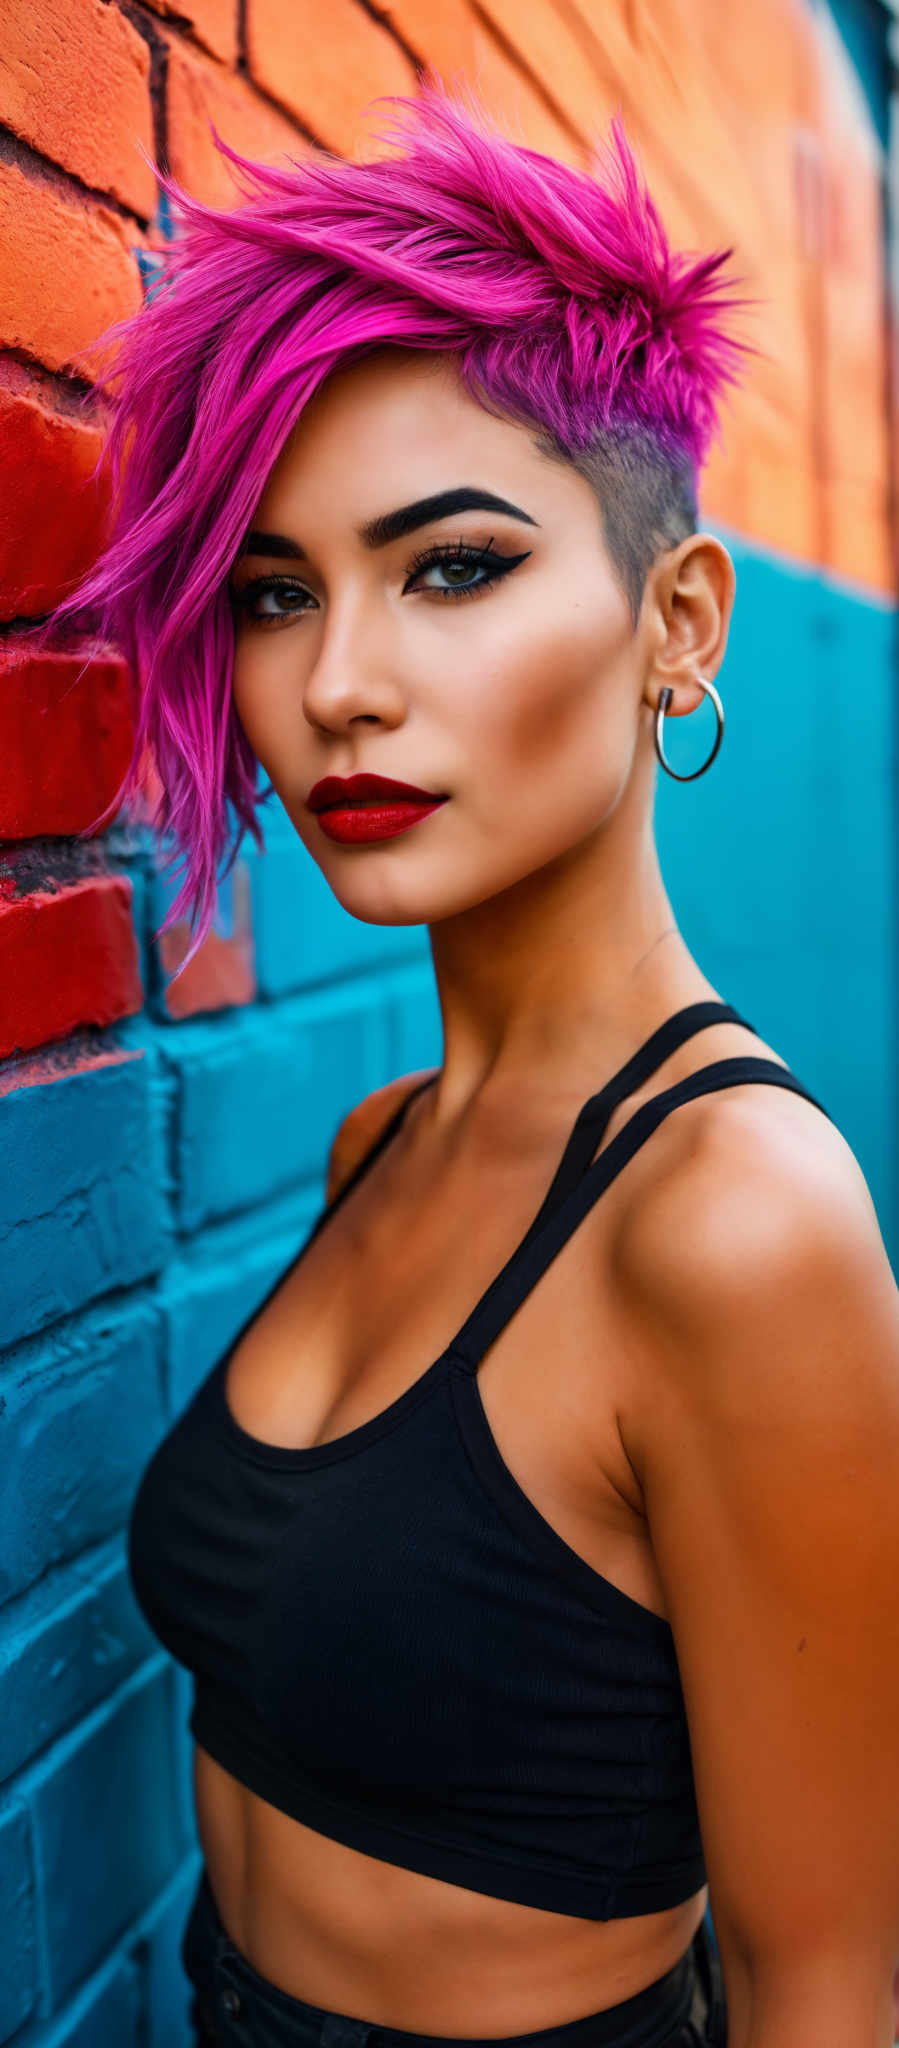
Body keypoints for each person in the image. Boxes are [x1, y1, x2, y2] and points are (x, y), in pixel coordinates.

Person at [41, 83, 899, 2048]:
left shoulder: (738, 1229)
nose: (338, 676)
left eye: (451, 566)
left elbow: (820, 1984)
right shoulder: (380, 1147)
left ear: (676, 624)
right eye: (276, 592)